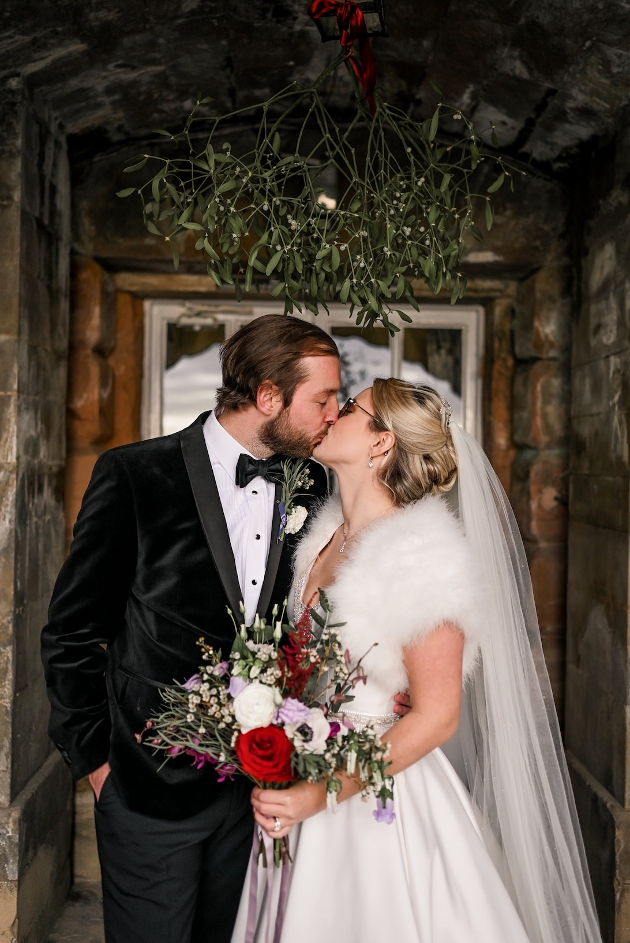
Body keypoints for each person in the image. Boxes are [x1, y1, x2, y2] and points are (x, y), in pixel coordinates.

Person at [241, 379, 603, 943]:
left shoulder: (423, 556)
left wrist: (324, 791)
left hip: (379, 799)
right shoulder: (325, 536)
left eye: (351, 407)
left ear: (381, 443)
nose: (332, 413)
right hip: (303, 768)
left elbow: (436, 716)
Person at [41, 314, 358, 943]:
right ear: (268, 397)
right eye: (322, 399)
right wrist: (99, 765)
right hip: (145, 788)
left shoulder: (319, 485)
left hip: (257, 792)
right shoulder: (133, 474)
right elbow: (72, 632)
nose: (333, 413)